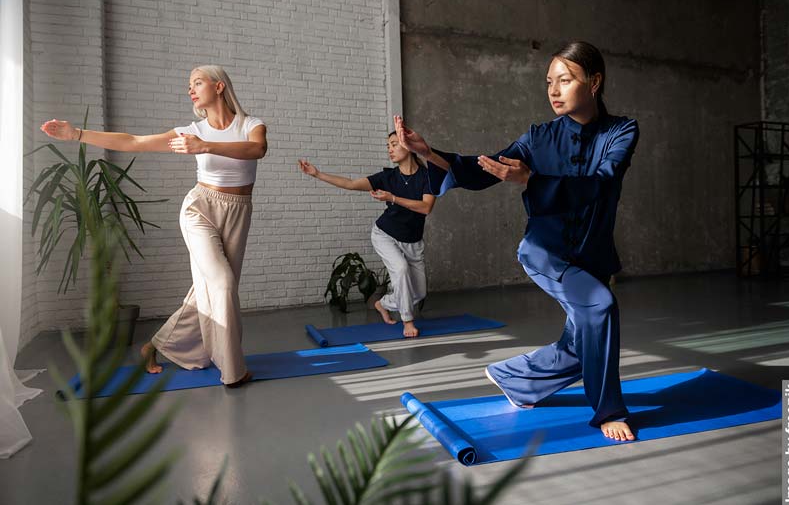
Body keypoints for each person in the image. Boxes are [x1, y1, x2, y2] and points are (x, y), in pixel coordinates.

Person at [392, 41, 639, 441]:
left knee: (583, 343)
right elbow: (483, 169)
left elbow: (601, 184)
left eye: (565, 80)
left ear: (594, 82)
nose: (554, 90)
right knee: (600, 306)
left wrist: (531, 181)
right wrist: (430, 153)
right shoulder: (538, 137)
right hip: (545, 252)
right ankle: (608, 410)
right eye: (549, 82)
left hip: (592, 256)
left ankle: (516, 378)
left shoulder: (622, 131)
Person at [40, 65, 267, 388]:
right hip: (199, 209)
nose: (190, 89)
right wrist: (77, 134)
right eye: (188, 84)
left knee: (206, 291)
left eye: (197, 82)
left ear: (219, 87)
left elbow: (257, 149)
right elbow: (135, 141)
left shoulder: (251, 124)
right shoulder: (191, 130)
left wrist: (205, 146)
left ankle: (153, 346)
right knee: (223, 284)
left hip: (239, 211)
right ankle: (233, 371)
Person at [298, 131, 435, 337]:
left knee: (419, 292)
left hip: (413, 241)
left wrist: (393, 197)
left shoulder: (428, 177)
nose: (390, 149)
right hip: (385, 235)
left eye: (394, 144)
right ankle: (407, 321)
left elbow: (425, 207)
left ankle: (383, 303)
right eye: (388, 145)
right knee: (400, 269)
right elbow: (351, 184)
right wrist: (317, 174)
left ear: (409, 146)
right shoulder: (387, 177)